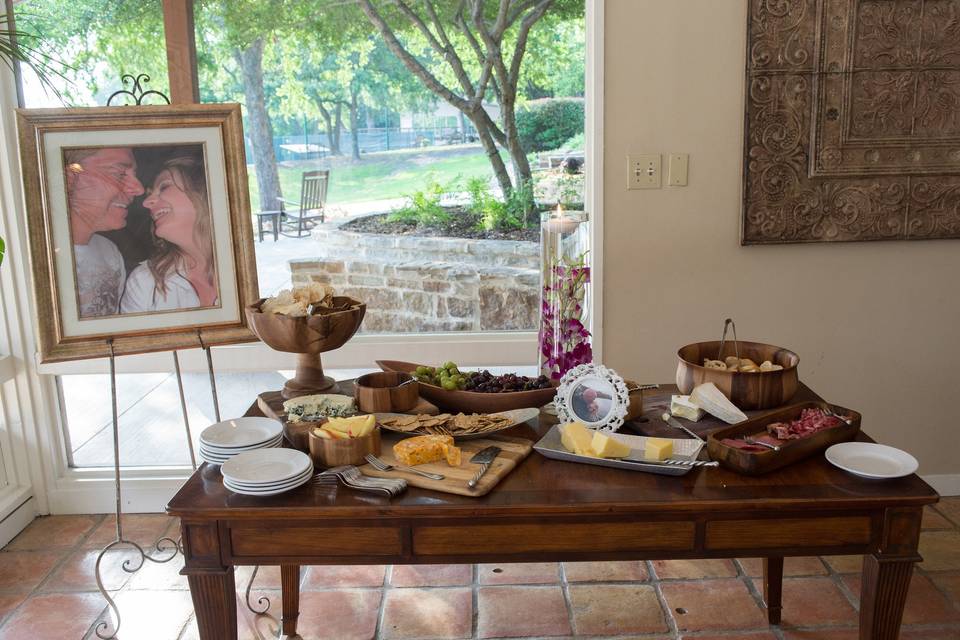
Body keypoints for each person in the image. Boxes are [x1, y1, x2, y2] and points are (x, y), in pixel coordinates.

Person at [120, 155, 219, 313]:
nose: (146, 202)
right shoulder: (145, 283)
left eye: (164, 187)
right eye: (148, 195)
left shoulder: (248, 266)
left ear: (204, 193)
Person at [64, 147, 145, 317]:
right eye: (119, 174)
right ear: (70, 178)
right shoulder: (25, 262)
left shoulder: (110, 253)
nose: (139, 189)